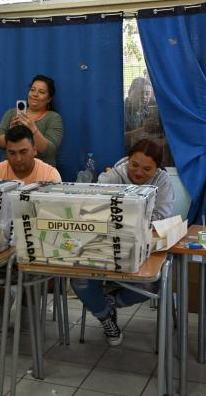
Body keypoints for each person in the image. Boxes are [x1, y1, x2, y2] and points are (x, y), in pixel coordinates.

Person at [70, 138, 174, 346]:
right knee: (79, 279)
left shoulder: (162, 181)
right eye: (134, 165)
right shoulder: (112, 176)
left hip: (145, 248)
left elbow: (161, 216)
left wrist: (124, 218)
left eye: (147, 169)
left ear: (157, 169)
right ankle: (105, 317)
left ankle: (109, 304)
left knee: (152, 285)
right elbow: (94, 207)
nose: (138, 173)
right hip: (105, 245)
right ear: (127, 159)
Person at [0, 125, 61, 331]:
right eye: (11, 153)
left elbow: (52, 223)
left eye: (23, 152)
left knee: (31, 268)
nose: (17, 158)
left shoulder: (50, 175)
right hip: (0, 245)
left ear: (35, 150)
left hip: (35, 248)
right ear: (5, 152)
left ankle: (27, 304)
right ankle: (2, 297)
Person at [0, 74, 64, 167]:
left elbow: (49, 151)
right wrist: (10, 134)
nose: (35, 94)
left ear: (49, 99)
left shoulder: (54, 118)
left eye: (41, 92)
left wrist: (33, 129)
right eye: (32, 90)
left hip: (41, 174)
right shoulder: (11, 113)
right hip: (11, 170)